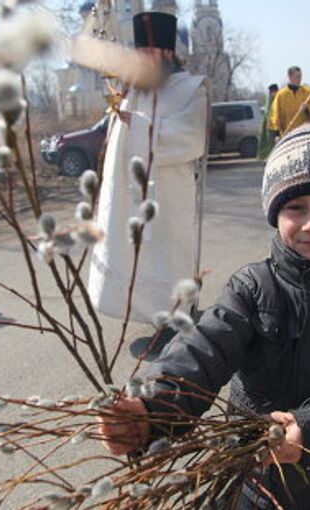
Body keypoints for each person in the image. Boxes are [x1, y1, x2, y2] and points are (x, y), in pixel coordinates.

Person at [99, 124, 310, 510]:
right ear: (275, 214)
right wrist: (151, 409)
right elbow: (202, 352)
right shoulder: (252, 288)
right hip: (252, 475)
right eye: (295, 207)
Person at [88, 12, 208, 332]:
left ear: (169, 52)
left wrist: (140, 127)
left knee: (171, 251)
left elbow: (192, 138)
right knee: (136, 254)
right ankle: (147, 313)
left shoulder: (191, 88)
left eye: (154, 52)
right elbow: (117, 146)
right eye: (142, 53)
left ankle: (180, 311)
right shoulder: (131, 90)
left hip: (169, 191)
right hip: (130, 190)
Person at [268, 66, 310, 138]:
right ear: (290, 77)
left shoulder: (308, 92)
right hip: (288, 134)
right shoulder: (280, 95)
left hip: (305, 133)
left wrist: (307, 108)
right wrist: (277, 135)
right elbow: (275, 116)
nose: (300, 79)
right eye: (297, 77)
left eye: (300, 76)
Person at [257, 83, 279, 160]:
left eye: (274, 91)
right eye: (271, 92)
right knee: (269, 143)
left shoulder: (279, 98)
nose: (272, 93)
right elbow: (268, 112)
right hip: (270, 126)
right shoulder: (269, 100)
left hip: (277, 125)